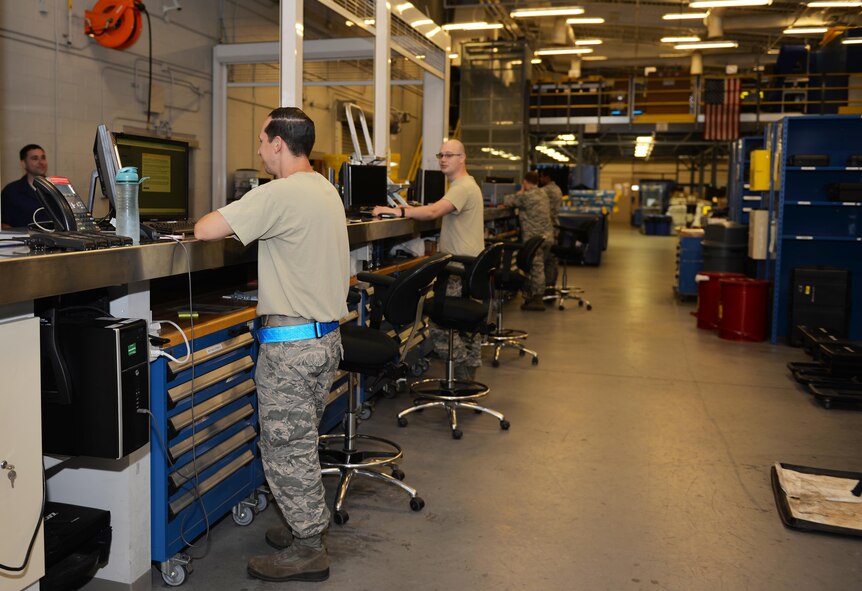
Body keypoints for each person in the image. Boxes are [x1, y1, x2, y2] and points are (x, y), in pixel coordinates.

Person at [194, 107, 349, 583]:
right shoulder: (325, 188)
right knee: (301, 444)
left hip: (291, 350)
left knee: (286, 450)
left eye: (262, 142)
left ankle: (308, 548)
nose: (259, 151)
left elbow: (205, 229)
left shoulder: (280, 193)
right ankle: (308, 528)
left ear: (279, 143)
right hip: (325, 342)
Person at [372, 139, 484, 380]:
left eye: (450, 155)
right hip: (469, 267)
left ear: (462, 158)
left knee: (439, 325)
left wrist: (398, 211)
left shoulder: (462, 187)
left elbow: (434, 212)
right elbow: (437, 208)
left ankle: (461, 376)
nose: (443, 159)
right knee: (465, 326)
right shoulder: (466, 185)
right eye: (441, 154)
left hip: (458, 270)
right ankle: (468, 372)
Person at [504, 171, 552, 311]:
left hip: (534, 238)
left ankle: (537, 298)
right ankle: (534, 294)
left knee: (536, 268)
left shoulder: (526, 196)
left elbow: (507, 200)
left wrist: (519, 192)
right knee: (539, 266)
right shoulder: (543, 193)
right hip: (547, 236)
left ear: (525, 182)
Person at [1, 144, 49, 229]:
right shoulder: (11, 191)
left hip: (55, 241)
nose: (41, 162)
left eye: (43, 157)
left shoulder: (57, 188)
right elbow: (4, 224)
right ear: (23, 164)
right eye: (35, 158)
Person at [538, 170, 564, 294]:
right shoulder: (557, 189)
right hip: (556, 226)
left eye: (542, 177)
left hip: (549, 228)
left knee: (547, 259)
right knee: (552, 259)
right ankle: (550, 286)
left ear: (547, 177)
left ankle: (546, 288)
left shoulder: (546, 190)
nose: (540, 180)